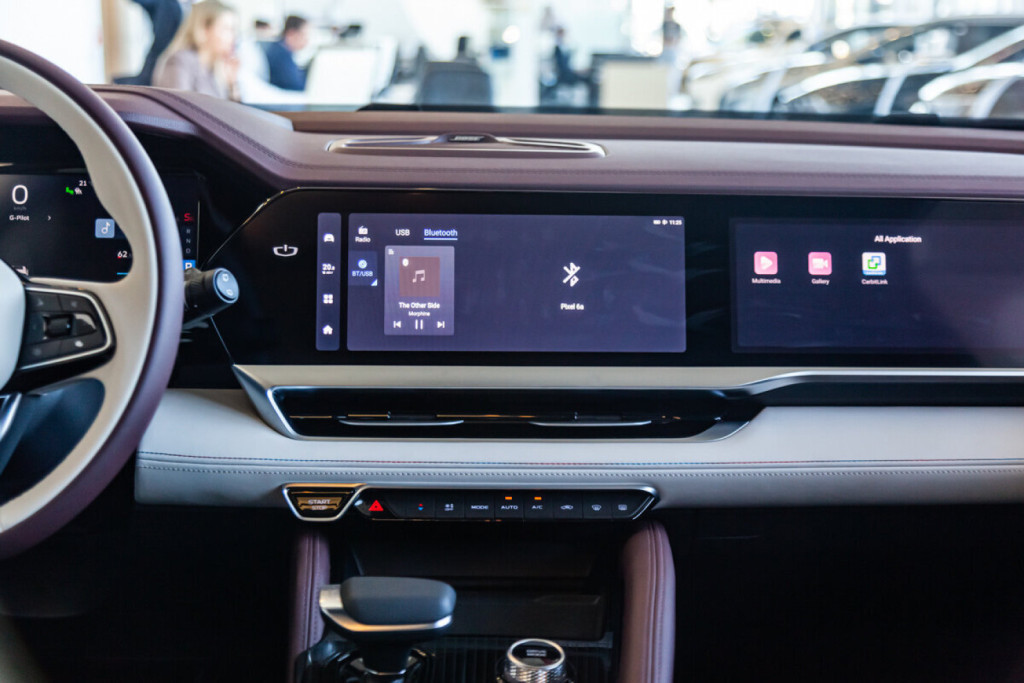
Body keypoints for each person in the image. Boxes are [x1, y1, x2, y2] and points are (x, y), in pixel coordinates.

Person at [154, 0, 240, 100]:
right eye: (226, 29)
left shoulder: (214, 68)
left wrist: (232, 85)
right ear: (204, 29)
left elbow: (229, 109)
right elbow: (180, 106)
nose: (233, 37)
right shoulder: (181, 62)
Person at [262, 15, 310, 91]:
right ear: (291, 33)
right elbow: (296, 85)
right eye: (304, 35)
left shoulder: (280, 49)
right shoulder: (280, 55)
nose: (307, 40)